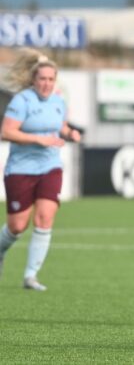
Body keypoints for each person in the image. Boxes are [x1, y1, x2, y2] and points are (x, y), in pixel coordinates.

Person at [0, 49, 81, 291]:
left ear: (55, 81)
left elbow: (61, 127)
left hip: (50, 166)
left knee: (45, 217)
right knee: (17, 226)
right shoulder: (22, 101)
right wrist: (38, 139)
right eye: (42, 79)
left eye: (51, 79)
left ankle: (30, 276)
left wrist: (69, 133)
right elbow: (7, 132)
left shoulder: (58, 101)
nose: (46, 83)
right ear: (34, 80)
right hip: (20, 169)